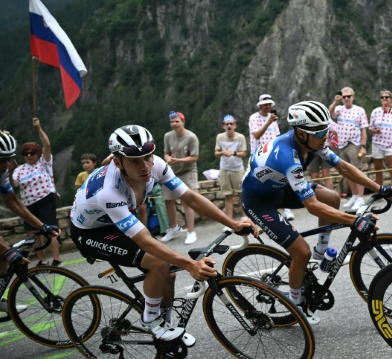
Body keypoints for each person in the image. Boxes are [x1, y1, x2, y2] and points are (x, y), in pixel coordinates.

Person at [69, 125, 254, 344]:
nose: (145, 165)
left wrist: (233, 223)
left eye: (147, 157)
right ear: (118, 163)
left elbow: (190, 198)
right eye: (135, 161)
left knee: (169, 273)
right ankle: (151, 320)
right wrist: (191, 265)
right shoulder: (109, 191)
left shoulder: (156, 164)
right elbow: (145, 239)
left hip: (116, 219)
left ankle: (166, 324)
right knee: (159, 264)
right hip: (92, 232)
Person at [240, 101, 392, 323]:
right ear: (302, 133)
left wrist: (379, 188)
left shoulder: (312, 143)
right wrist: (354, 221)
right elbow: (312, 205)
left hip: (280, 188)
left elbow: (343, 167)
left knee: (333, 198)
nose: (326, 135)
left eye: (327, 129)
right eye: (321, 132)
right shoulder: (287, 155)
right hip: (259, 202)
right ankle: (296, 303)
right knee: (300, 252)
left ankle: (321, 249)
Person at [0, 131, 60, 314]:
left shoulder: (2, 171)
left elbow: (13, 202)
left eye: (8, 159)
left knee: (2, 252)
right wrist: (6, 250)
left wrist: (41, 225)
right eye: (1, 160)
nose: (5, 164)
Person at [10, 118, 60, 266]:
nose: (29, 156)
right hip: (28, 204)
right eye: (26, 154)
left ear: (37, 153)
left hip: (45, 199)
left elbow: (47, 144)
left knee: (50, 230)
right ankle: (42, 260)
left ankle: (56, 259)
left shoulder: (44, 162)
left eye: (32, 153)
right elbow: (13, 184)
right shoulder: (20, 169)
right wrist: (10, 170)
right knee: (33, 233)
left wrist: (38, 128)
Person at [249, 94, 294, 220]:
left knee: (282, 179)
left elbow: (277, 136)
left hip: (274, 153)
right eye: (266, 104)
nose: (268, 106)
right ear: (260, 105)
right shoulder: (254, 118)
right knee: (262, 183)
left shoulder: (273, 119)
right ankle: (265, 210)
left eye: (270, 104)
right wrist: (268, 122)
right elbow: (257, 135)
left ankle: (287, 209)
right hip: (259, 155)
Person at [161, 111, 200, 245]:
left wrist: (177, 160)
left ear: (183, 122)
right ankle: (173, 228)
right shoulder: (167, 136)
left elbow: (194, 157)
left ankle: (191, 232)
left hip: (188, 171)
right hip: (172, 171)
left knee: (187, 201)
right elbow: (166, 153)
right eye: (172, 122)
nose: (174, 124)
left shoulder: (191, 137)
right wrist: (168, 159)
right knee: (168, 199)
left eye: (177, 121)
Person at [329, 87, 369, 212]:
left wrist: (363, 146)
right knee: (347, 172)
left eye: (348, 96)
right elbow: (329, 113)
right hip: (342, 144)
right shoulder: (339, 109)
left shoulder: (359, 110)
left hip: (354, 143)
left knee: (357, 171)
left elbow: (363, 129)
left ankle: (360, 198)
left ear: (353, 97)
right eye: (344, 96)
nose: (346, 98)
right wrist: (336, 101)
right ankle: (355, 196)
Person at [214, 115, 247, 219]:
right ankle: (229, 219)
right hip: (224, 168)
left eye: (231, 124)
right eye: (226, 124)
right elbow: (216, 152)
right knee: (228, 195)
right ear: (224, 126)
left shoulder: (240, 137)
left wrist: (233, 153)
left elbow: (243, 154)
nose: (229, 126)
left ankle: (245, 216)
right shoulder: (220, 137)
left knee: (241, 193)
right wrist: (223, 152)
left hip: (238, 168)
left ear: (235, 125)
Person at [369, 90, 392, 188]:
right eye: (382, 97)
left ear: (391, 99)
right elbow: (370, 128)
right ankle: (379, 191)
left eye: (386, 97)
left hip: (390, 143)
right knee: (378, 169)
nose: (384, 99)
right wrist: (375, 131)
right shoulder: (375, 112)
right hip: (377, 143)